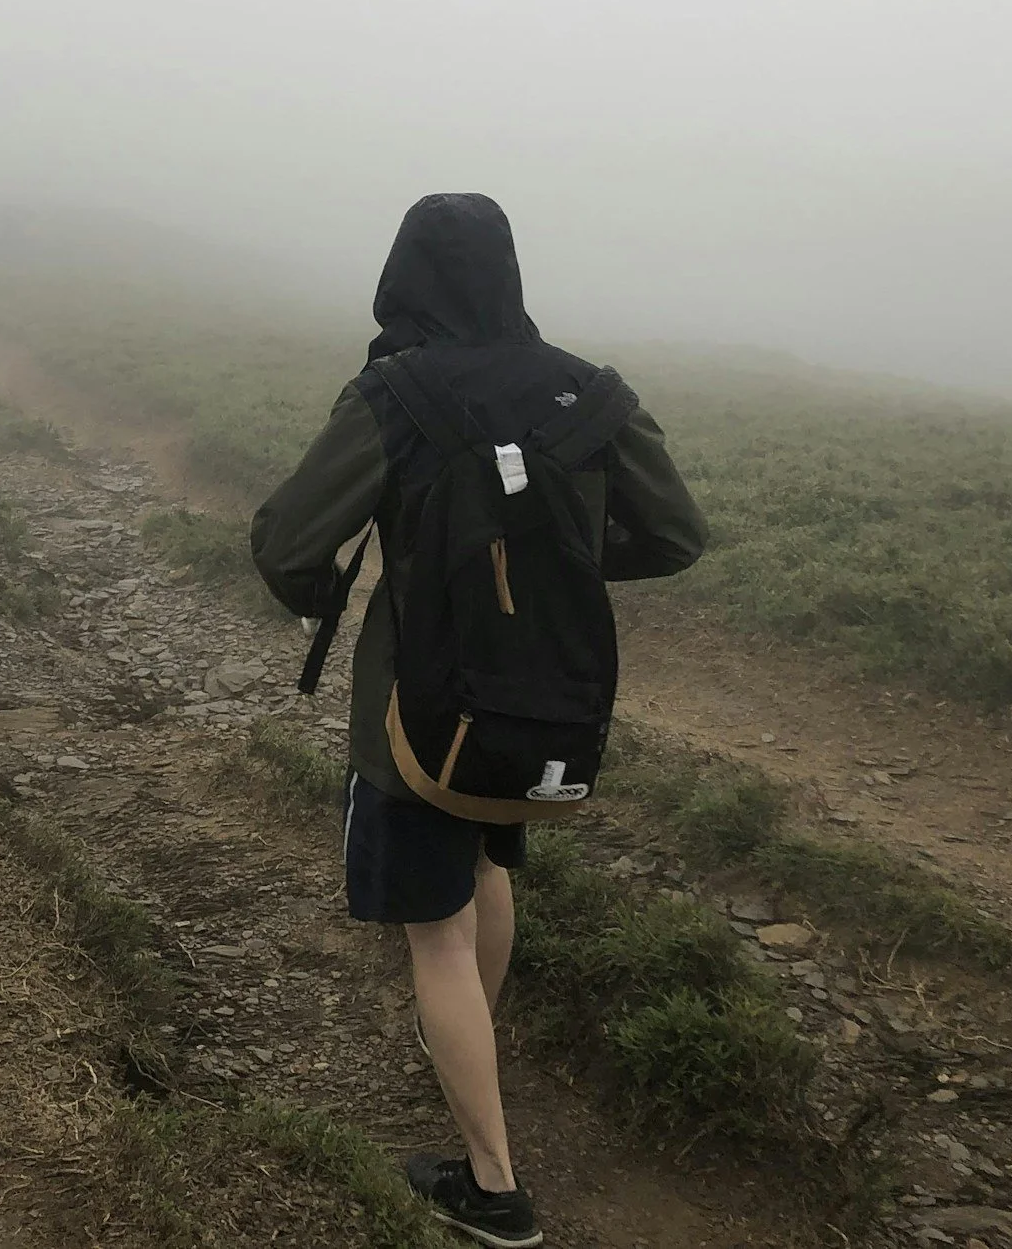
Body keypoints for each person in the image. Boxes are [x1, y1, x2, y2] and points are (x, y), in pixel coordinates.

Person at [249, 193, 705, 1249]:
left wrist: (330, 591)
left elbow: (285, 544)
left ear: (403, 277)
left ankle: (491, 1190)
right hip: (539, 697)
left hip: (418, 710)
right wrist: (560, 566)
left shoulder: (394, 393)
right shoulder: (591, 392)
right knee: (488, 865)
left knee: (436, 932)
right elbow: (675, 532)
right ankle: (470, 1059)